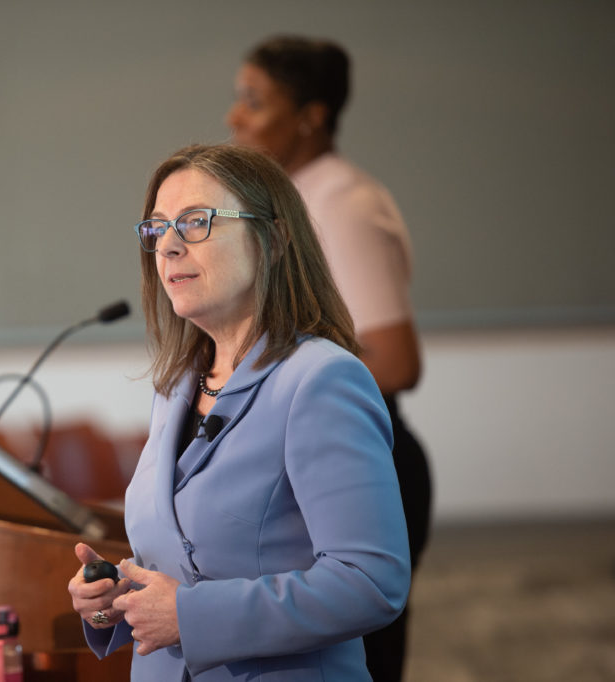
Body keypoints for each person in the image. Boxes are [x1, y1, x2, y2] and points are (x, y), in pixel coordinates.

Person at [67, 144, 410, 681]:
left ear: (273, 240)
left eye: (196, 222)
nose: (169, 247)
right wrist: (114, 597)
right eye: (157, 228)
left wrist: (190, 615)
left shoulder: (319, 380)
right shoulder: (176, 385)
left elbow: (370, 582)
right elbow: (185, 561)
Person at [224, 35, 433, 682]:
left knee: (354, 662)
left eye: (255, 102)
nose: (235, 117)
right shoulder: (297, 198)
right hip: (317, 455)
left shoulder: (339, 203)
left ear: (311, 116)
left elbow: (396, 362)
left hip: (358, 457)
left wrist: (272, 389)